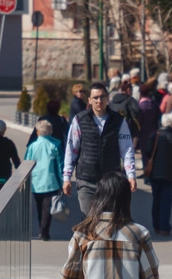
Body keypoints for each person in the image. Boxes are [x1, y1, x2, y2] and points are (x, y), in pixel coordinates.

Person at [63, 83, 137, 215]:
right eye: (95, 98)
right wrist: (67, 177)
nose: (99, 101)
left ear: (107, 98)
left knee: (108, 221)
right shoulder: (80, 120)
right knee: (88, 220)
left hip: (110, 181)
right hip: (86, 180)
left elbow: (126, 150)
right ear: (89, 100)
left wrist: (131, 175)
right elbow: (72, 149)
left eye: (102, 97)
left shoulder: (119, 121)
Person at [143, 113, 172, 236]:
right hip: (170, 174)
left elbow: (148, 152)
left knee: (156, 200)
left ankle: (156, 225)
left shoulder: (154, 135)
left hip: (155, 174)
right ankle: (164, 227)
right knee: (166, 201)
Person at [26, 120, 66, 241]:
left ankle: (41, 228)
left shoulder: (32, 146)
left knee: (39, 206)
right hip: (51, 181)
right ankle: (44, 231)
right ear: (50, 131)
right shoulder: (56, 145)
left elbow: (26, 163)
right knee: (47, 207)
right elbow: (60, 165)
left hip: (36, 181)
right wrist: (63, 181)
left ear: (37, 132)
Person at [137, 82, 161, 159]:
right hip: (154, 130)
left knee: (145, 154)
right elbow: (159, 117)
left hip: (142, 132)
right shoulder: (154, 104)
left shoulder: (139, 107)